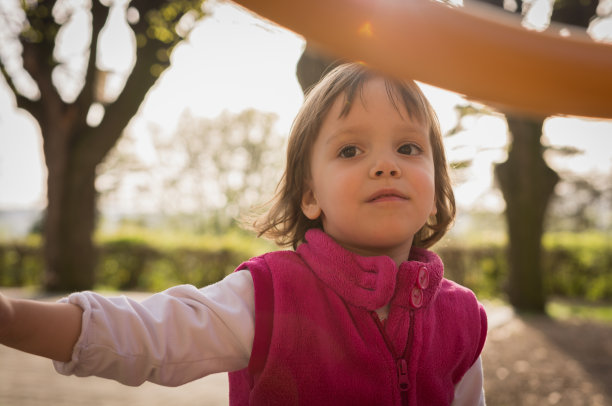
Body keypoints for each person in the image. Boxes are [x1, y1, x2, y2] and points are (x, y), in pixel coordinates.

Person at [0, 63, 487, 405]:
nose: (385, 165)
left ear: (438, 180)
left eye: (407, 146)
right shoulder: (268, 295)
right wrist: (12, 317)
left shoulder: (463, 315)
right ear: (308, 195)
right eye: (350, 151)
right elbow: (150, 334)